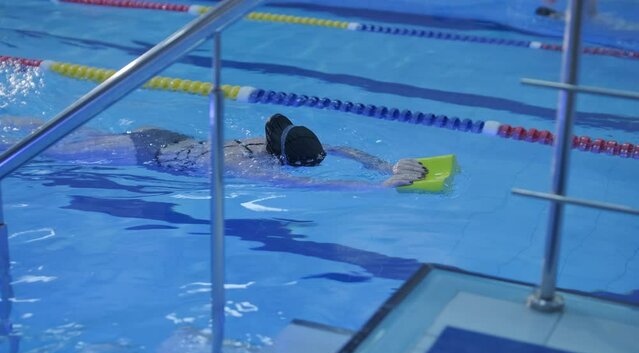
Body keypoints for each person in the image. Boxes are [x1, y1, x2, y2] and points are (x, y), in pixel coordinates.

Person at [0, 114, 428, 189]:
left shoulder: (265, 147)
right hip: (144, 153)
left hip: (165, 138)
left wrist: (384, 165)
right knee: (47, 150)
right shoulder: (248, 169)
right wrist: (380, 186)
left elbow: (342, 149)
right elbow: (318, 187)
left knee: (69, 133)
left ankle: (15, 119)